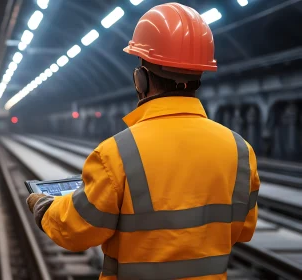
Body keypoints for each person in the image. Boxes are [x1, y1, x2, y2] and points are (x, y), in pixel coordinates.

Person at [26, 3, 260, 280]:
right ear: (199, 75)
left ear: (141, 79)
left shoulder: (117, 153)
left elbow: (77, 231)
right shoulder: (239, 150)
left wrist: (44, 208)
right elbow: (243, 229)